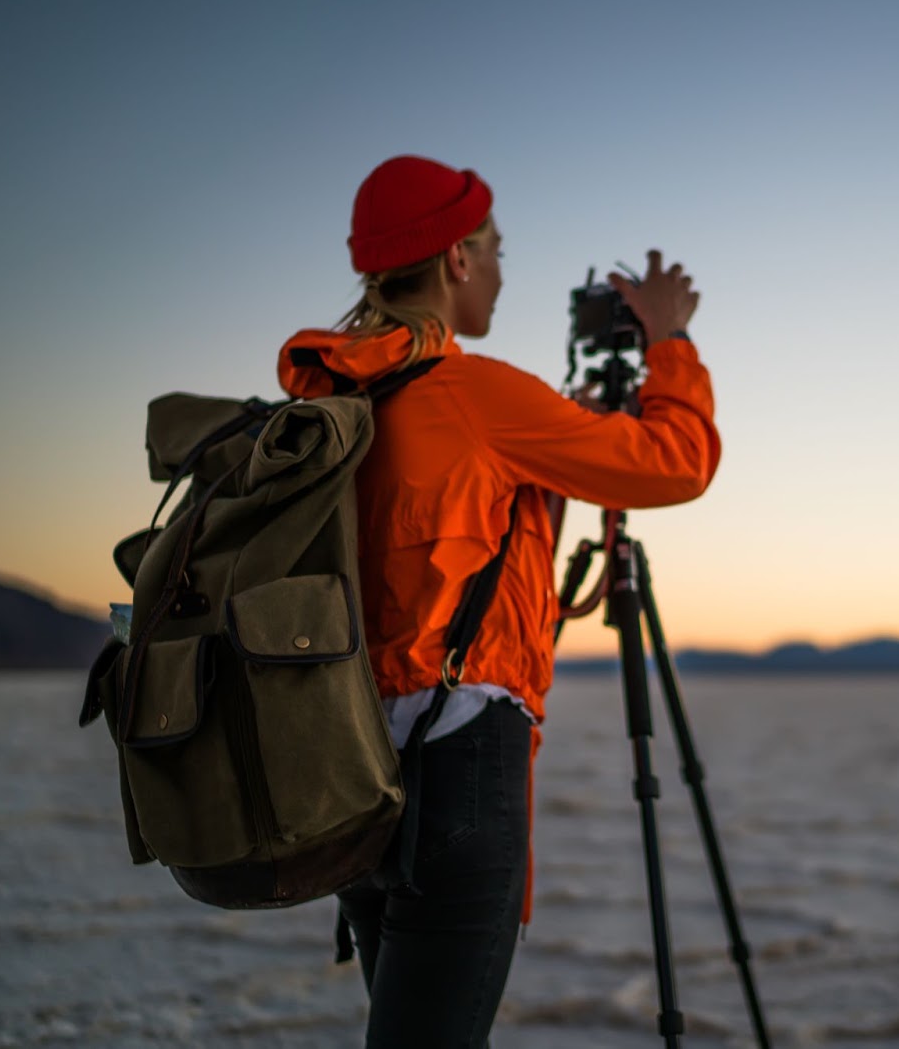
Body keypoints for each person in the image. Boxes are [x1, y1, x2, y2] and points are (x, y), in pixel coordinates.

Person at [275, 154, 720, 1048]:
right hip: (461, 766)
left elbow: (454, 547)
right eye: (496, 248)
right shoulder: (476, 396)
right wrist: (669, 342)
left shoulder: (348, 398)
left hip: (350, 774)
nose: (504, 271)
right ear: (456, 261)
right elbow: (678, 462)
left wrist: (568, 426)